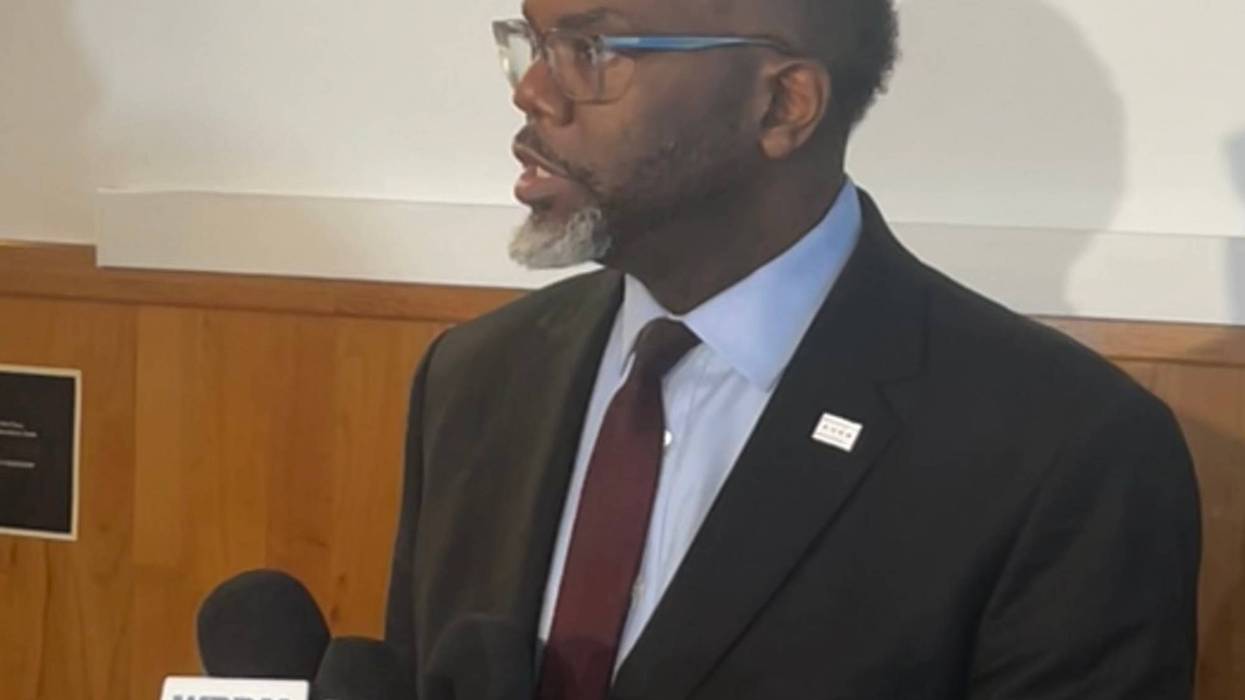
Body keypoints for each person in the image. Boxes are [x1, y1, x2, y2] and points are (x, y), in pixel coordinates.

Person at [386, 0, 1201, 697]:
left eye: (591, 49)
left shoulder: (1065, 451)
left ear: (783, 106)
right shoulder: (475, 377)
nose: (532, 93)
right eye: (529, 42)